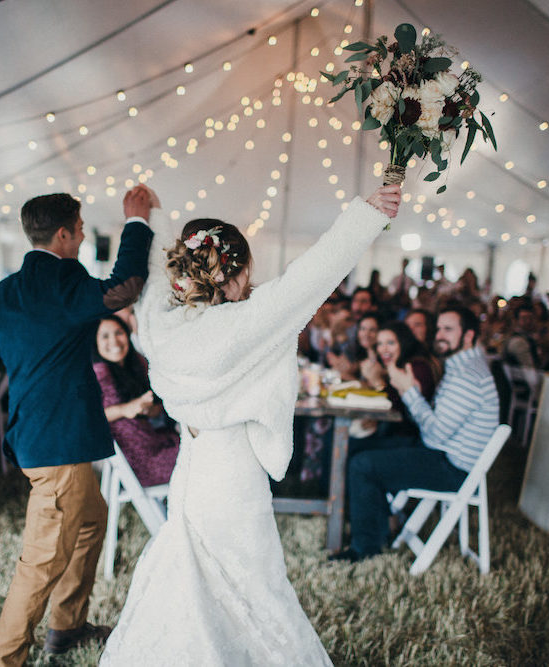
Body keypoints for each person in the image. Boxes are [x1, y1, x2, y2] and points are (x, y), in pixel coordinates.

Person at [99, 183, 401, 665]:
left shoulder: (157, 321)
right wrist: (366, 215)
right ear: (232, 273)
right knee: (254, 586)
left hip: (190, 467)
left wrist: (149, 218)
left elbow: (154, 272)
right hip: (232, 471)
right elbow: (313, 274)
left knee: (188, 573)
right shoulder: (246, 324)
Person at [0, 187, 154, 666]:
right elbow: (126, 286)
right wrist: (136, 221)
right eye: (76, 230)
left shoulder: (1, 295)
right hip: (57, 449)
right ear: (64, 233)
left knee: (91, 523)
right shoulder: (65, 283)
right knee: (40, 564)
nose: (78, 239)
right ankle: (4, 660)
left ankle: (66, 628)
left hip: (47, 440)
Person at [333, 306, 499, 563]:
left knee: (362, 464)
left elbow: (434, 433)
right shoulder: (461, 366)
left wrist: (408, 391)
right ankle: (379, 529)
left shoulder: (468, 375)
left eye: (449, 329)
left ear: (468, 336)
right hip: (444, 453)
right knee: (361, 451)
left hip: (453, 467)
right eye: (439, 328)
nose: (440, 335)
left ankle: (364, 548)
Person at [92, 315, 179, 487]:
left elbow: (156, 407)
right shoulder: (100, 372)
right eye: (105, 336)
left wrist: (149, 410)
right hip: (143, 463)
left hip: (156, 443)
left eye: (119, 332)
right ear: (95, 343)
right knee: (202, 452)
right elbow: (91, 417)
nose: (114, 341)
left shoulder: (136, 362)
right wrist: (125, 409)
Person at [353, 320, 440, 453]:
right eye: (380, 344)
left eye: (391, 343)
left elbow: (404, 413)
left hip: (413, 440)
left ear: (403, 343)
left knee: (351, 446)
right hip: (397, 433)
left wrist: (378, 382)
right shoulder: (398, 364)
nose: (384, 349)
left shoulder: (417, 368)